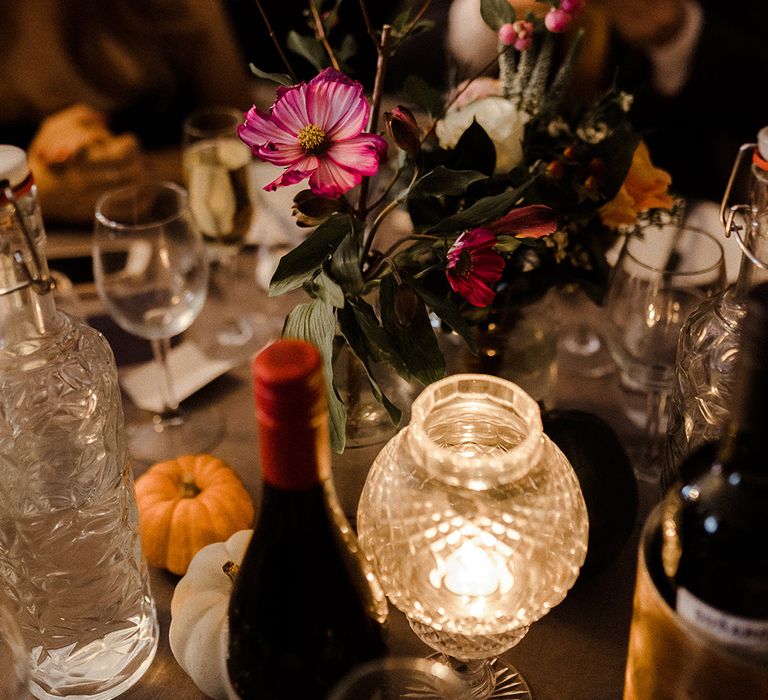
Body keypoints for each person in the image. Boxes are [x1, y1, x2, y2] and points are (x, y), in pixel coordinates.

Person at [425, 0, 768, 203]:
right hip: (474, 191)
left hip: (658, 204)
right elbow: (394, 58)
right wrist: (485, 15)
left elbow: (753, 98)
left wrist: (676, 33)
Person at [0, 0, 255, 224]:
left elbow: (255, 141)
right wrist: (30, 193)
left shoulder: (182, 7)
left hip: (181, 245)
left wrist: (142, 174)